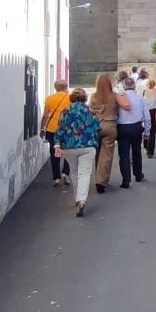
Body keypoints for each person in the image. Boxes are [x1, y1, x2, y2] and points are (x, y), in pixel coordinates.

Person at [53, 88, 101, 217]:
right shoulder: (90, 110)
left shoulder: (66, 110)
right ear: (84, 98)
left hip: (69, 146)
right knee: (85, 173)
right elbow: (98, 127)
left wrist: (57, 144)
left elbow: (60, 128)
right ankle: (82, 200)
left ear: (72, 98)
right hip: (88, 145)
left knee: (74, 173)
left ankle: (77, 199)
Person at [90, 74, 129, 194]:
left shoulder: (93, 96)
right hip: (110, 124)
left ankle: (98, 177)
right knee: (106, 155)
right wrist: (125, 95)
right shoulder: (114, 95)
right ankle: (102, 181)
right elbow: (126, 105)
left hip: (96, 126)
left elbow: (90, 111)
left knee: (97, 153)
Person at [116, 77, 150, 189]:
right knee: (136, 151)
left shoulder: (120, 98)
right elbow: (147, 117)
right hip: (136, 126)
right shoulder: (140, 98)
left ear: (124, 86)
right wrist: (147, 132)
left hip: (122, 127)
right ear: (134, 86)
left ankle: (126, 180)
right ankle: (138, 174)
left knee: (124, 154)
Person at [40, 80, 71, 186]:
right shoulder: (70, 98)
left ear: (55, 88)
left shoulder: (49, 99)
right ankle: (65, 173)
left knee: (55, 153)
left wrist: (41, 128)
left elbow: (45, 116)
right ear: (66, 87)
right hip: (66, 129)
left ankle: (56, 178)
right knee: (68, 151)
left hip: (52, 130)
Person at [143, 78, 156, 158]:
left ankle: (146, 145)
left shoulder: (144, 92)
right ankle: (150, 151)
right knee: (152, 131)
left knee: (146, 128)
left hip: (146, 111)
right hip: (154, 111)